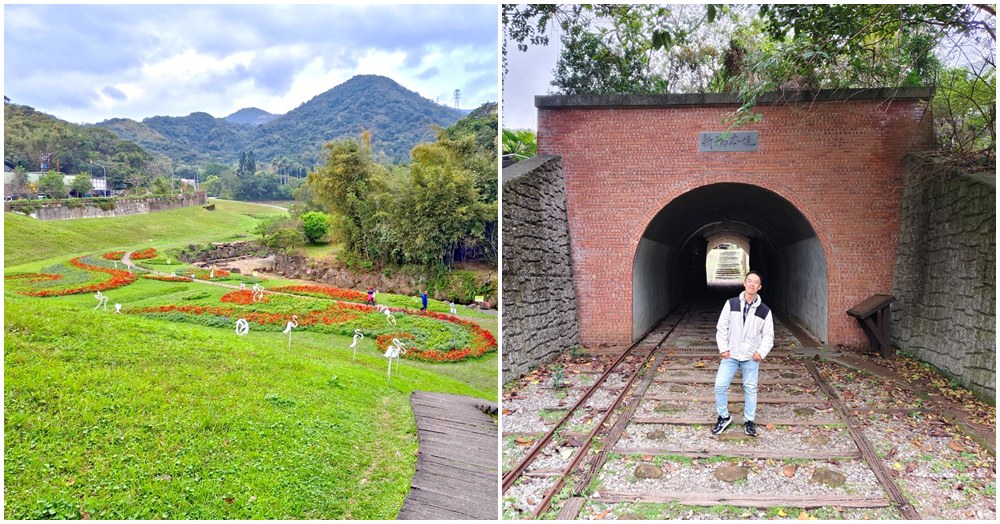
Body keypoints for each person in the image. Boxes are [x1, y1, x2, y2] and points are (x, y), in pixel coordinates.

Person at [712, 271, 774, 437]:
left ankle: (749, 421)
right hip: (731, 354)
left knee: (750, 388)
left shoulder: (764, 310)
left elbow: (769, 336)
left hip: (750, 356)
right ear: (744, 283)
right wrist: (723, 348)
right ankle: (724, 417)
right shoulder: (731, 303)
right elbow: (722, 327)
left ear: (759, 287)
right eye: (749, 281)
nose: (752, 284)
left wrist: (760, 353)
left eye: (755, 282)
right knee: (720, 385)